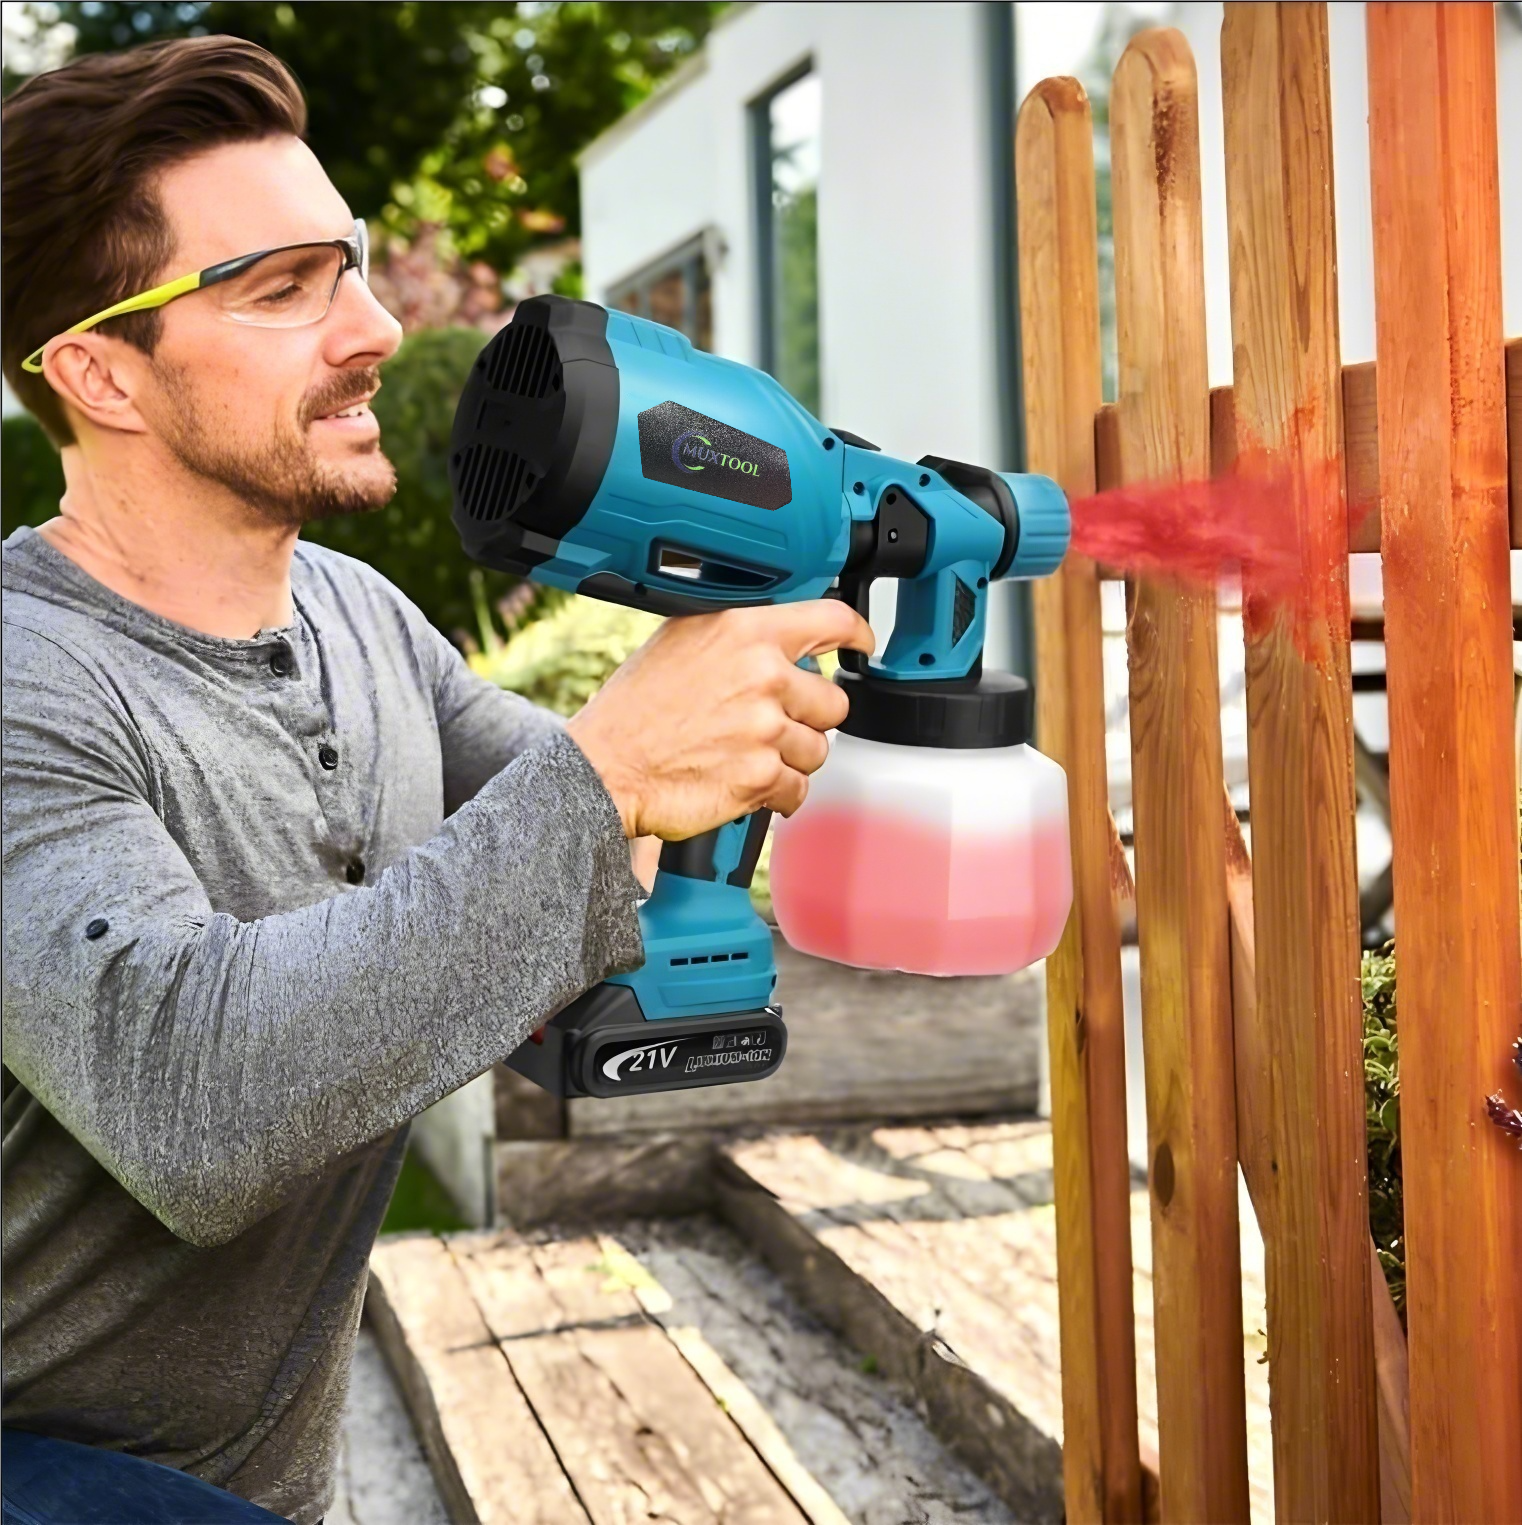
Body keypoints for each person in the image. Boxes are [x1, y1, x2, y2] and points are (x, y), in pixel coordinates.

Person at [0, 34, 872, 1525]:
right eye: (286, 288)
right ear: (98, 373)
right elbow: (194, 1105)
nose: (378, 326)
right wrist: (612, 772)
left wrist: (733, 734)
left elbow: (581, 859)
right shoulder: (30, 685)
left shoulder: (359, 618)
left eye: (350, 264)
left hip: (258, 1487)